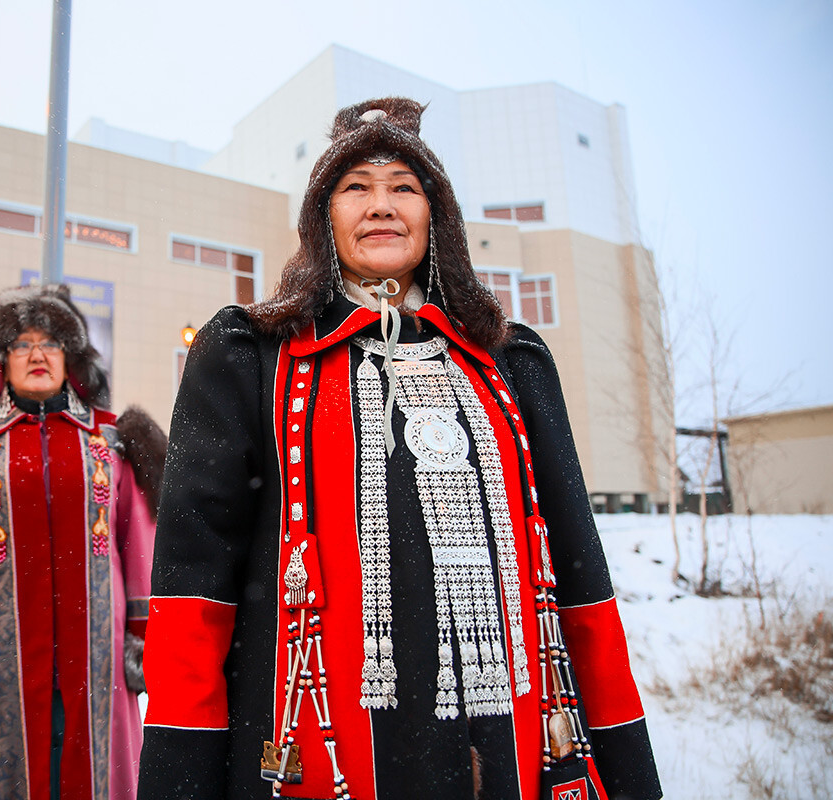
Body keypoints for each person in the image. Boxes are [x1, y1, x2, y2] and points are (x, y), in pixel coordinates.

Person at [138, 98, 661, 800]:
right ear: (323, 217)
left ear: (435, 215)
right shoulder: (251, 358)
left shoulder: (513, 364)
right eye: (356, 186)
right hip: (313, 758)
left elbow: (580, 578)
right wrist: (178, 778)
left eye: (404, 188)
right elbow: (193, 594)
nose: (380, 205)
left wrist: (628, 770)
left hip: (516, 756)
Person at [0, 284, 166, 800]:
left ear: (71, 357)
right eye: (22, 344)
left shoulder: (114, 441)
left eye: (51, 343)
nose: (38, 354)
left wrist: (145, 636)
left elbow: (140, 548)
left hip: (99, 661)